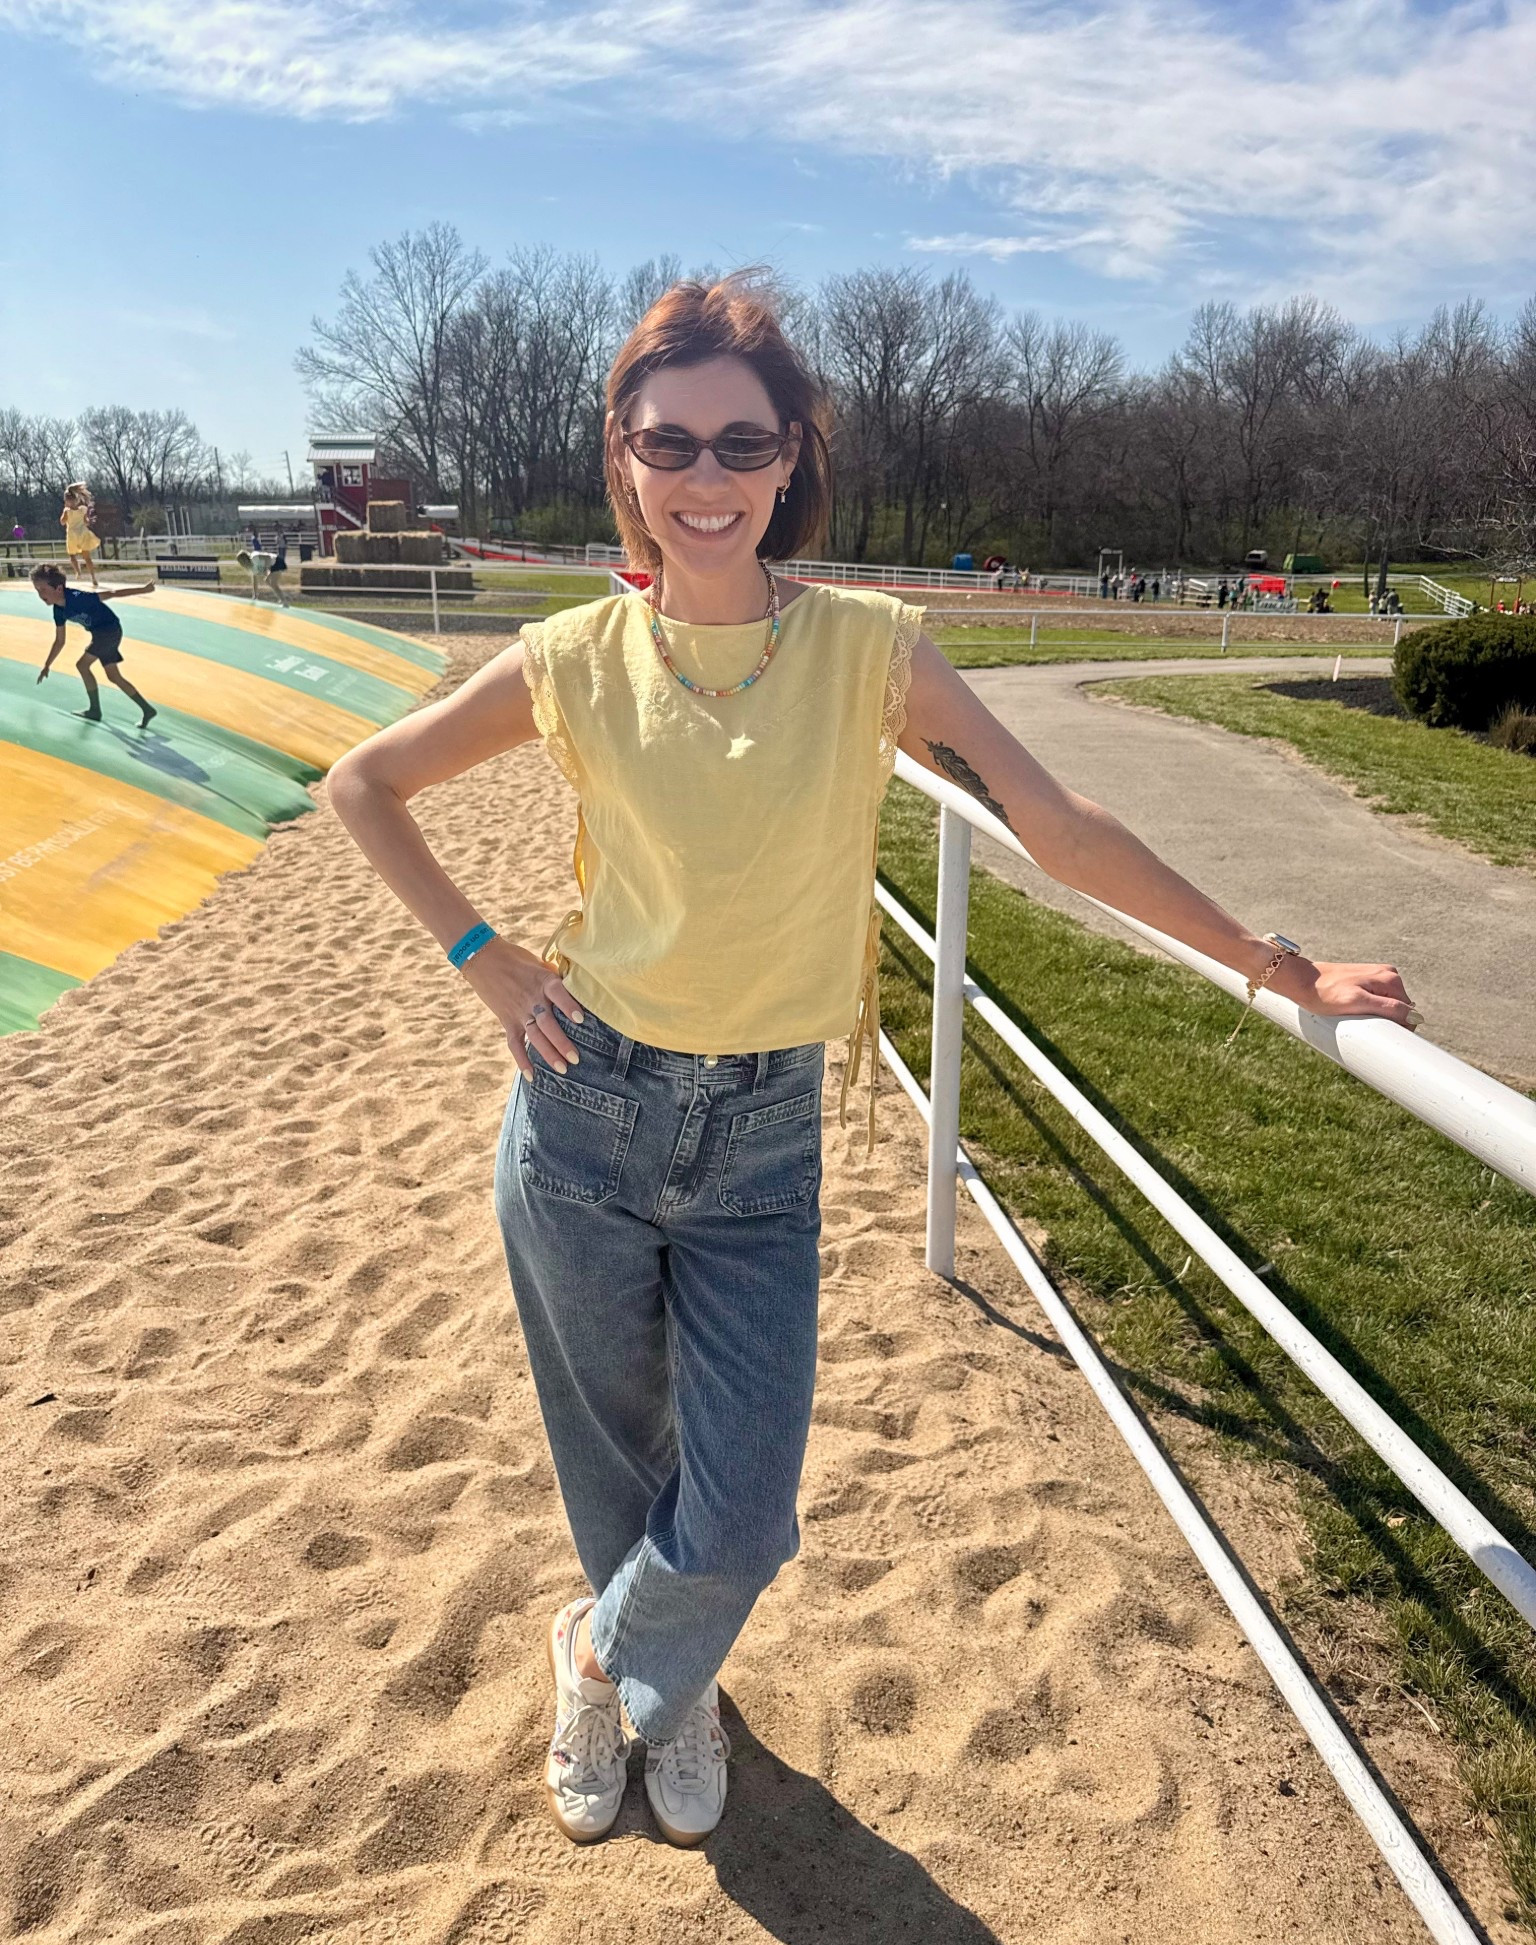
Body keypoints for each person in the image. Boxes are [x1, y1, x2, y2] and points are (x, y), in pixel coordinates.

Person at [325, 272, 1419, 1855]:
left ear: (791, 460)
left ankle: (602, 1655)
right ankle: (672, 1695)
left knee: (744, 1509)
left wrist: (1276, 962)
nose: (705, 477)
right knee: (618, 1464)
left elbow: (1059, 827)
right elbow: (364, 786)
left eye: (741, 444)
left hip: (763, 1132)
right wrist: (480, 954)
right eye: (669, 442)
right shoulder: (569, 656)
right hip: (583, 1111)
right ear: (625, 458)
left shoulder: (871, 651)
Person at [32, 564, 158, 727]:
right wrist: (47, 665)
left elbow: (112, 594)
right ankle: (147, 710)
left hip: (109, 631)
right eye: (37, 590)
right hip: (103, 634)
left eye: (43, 589)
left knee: (82, 665)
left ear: (59, 588)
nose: (40, 594)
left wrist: (144, 589)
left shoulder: (78, 597)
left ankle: (95, 710)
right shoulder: (58, 610)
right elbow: (60, 640)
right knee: (114, 676)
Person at [60, 483, 101, 588]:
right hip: (81, 534)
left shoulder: (69, 511)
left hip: (73, 535)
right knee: (85, 557)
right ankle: (91, 576)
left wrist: (65, 513)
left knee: (73, 555)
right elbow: (86, 522)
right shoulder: (82, 509)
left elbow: (62, 522)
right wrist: (88, 520)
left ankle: (80, 572)